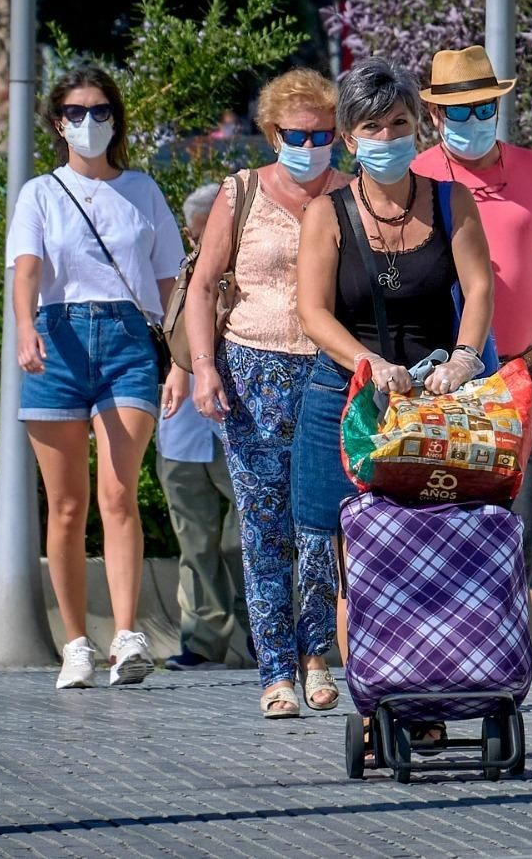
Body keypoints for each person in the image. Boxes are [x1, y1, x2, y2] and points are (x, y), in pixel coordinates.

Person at [294, 56, 494, 740]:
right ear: (350, 137)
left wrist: (467, 356)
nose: (388, 136)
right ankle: (379, 706)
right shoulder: (327, 213)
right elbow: (313, 314)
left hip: (436, 398)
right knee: (363, 561)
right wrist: (369, 363)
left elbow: (479, 288)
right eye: (373, 126)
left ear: (419, 128)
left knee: (431, 555)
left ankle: (428, 700)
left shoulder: (449, 200)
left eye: (400, 123)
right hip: (353, 400)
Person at [411, 45, 532, 614]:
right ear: (435, 117)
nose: (474, 121)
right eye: (460, 112)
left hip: (519, 370)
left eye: (484, 108)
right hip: (440, 377)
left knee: (517, 519)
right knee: (441, 514)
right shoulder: (416, 174)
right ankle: (443, 641)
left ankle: (501, 648)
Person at [8, 65, 188, 689]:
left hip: (127, 342)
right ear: (58, 122)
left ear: (117, 119)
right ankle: (76, 642)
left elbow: (170, 287)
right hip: (57, 338)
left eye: (102, 111)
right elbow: (26, 269)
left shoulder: (142, 190)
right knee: (65, 507)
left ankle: (128, 636)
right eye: (77, 113)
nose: (90, 124)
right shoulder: (40, 192)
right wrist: (25, 329)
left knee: (118, 493)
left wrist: (184, 362)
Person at [185, 69, 353, 718]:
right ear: (271, 132)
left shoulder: (350, 193)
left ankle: (316, 654)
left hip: (326, 374)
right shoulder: (242, 191)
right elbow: (202, 286)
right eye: (296, 133)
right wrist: (202, 367)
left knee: (319, 526)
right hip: (251, 373)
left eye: (322, 133)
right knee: (263, 529)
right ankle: (275, 669)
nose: (310, 144)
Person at [159, 183, 246, 672]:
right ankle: (203, 640)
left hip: (238, 424)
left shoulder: (253, 275)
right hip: (183, 430)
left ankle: (266, 633)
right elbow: (172, 339)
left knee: (248, 538)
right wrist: (178, 368)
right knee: (194, 542)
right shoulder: (183, 278)